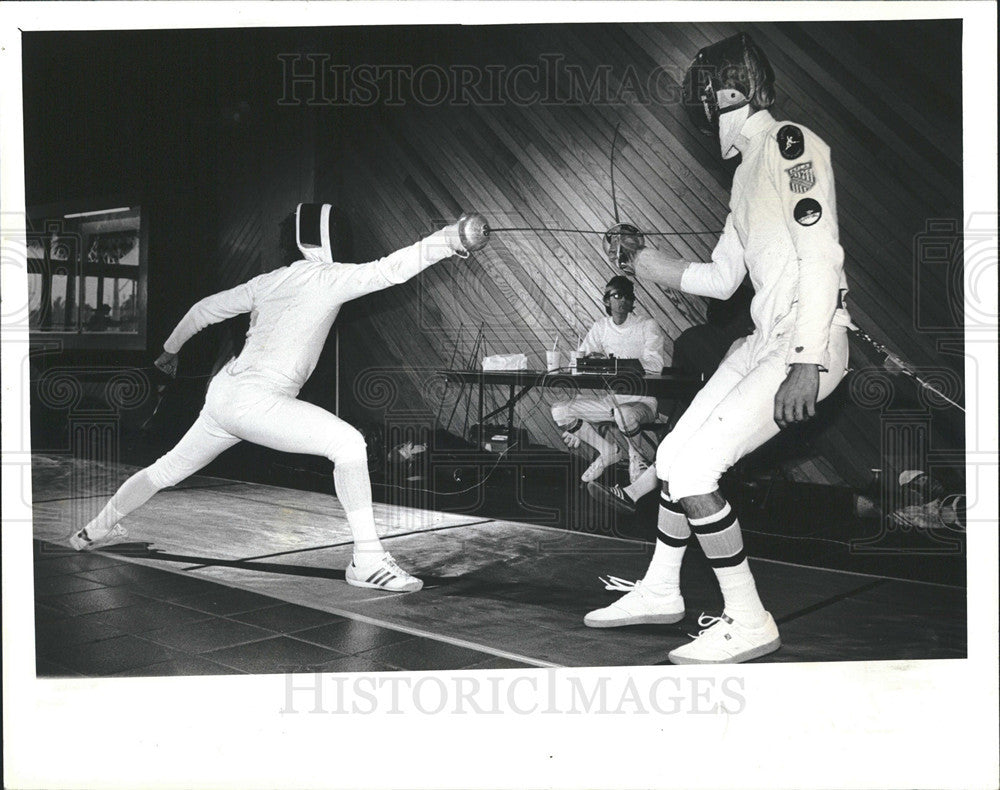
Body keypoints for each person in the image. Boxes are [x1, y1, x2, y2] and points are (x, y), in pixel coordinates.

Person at [588, 33, 852, 664]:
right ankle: (659, 590)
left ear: (723, 93)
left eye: (703, 96)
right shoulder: (743, 179)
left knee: (700, 469)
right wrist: (639, 259)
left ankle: (749, 617)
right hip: (762, 340)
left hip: (804, 342)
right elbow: (721, 279)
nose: (700, 112)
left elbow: (822, 258)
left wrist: (806, 362)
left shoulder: (794, 145)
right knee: (676, 455)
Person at [69, 204, 490, 594]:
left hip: (223, 395)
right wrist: (449, 239)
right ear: (327, 237)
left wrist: (168, 351)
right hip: (257, 402)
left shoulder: (266, 281)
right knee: (347, 444)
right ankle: (367, 561)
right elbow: (391, 270)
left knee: (167, 469)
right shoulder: (329, 277)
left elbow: (201, 310)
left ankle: (94, 529)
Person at [551, 275, 665, 484]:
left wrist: (611, 364)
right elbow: (580, 360)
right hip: (611, 402)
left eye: (628, 296)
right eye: (617, 295)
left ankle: (636, 457)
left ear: (633, 302)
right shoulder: (601, 327)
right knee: (560, 410)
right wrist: (592, 360)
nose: (623, 301)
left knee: (625, 415)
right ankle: (608, 451)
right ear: (606, 301)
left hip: (642, 403)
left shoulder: (647, 325)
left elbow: (655, 364)